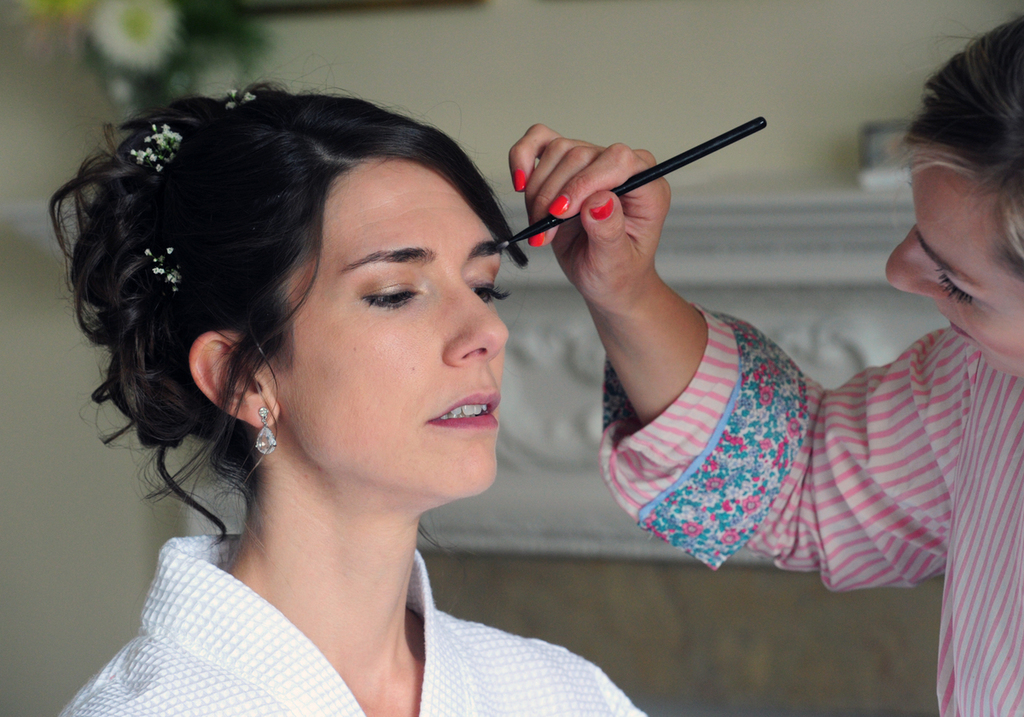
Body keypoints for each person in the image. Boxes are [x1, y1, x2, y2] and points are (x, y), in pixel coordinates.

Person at [53, 85, 645, 717]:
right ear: (241, 377)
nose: (488, 332)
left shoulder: (563, 694)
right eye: (394, 294)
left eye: (483, 287)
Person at [508, 15, 1024, 716]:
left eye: (957, 283)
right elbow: (795, 475)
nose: (898, 270)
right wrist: (624, 290)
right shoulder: (982, 378)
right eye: (917, 230)